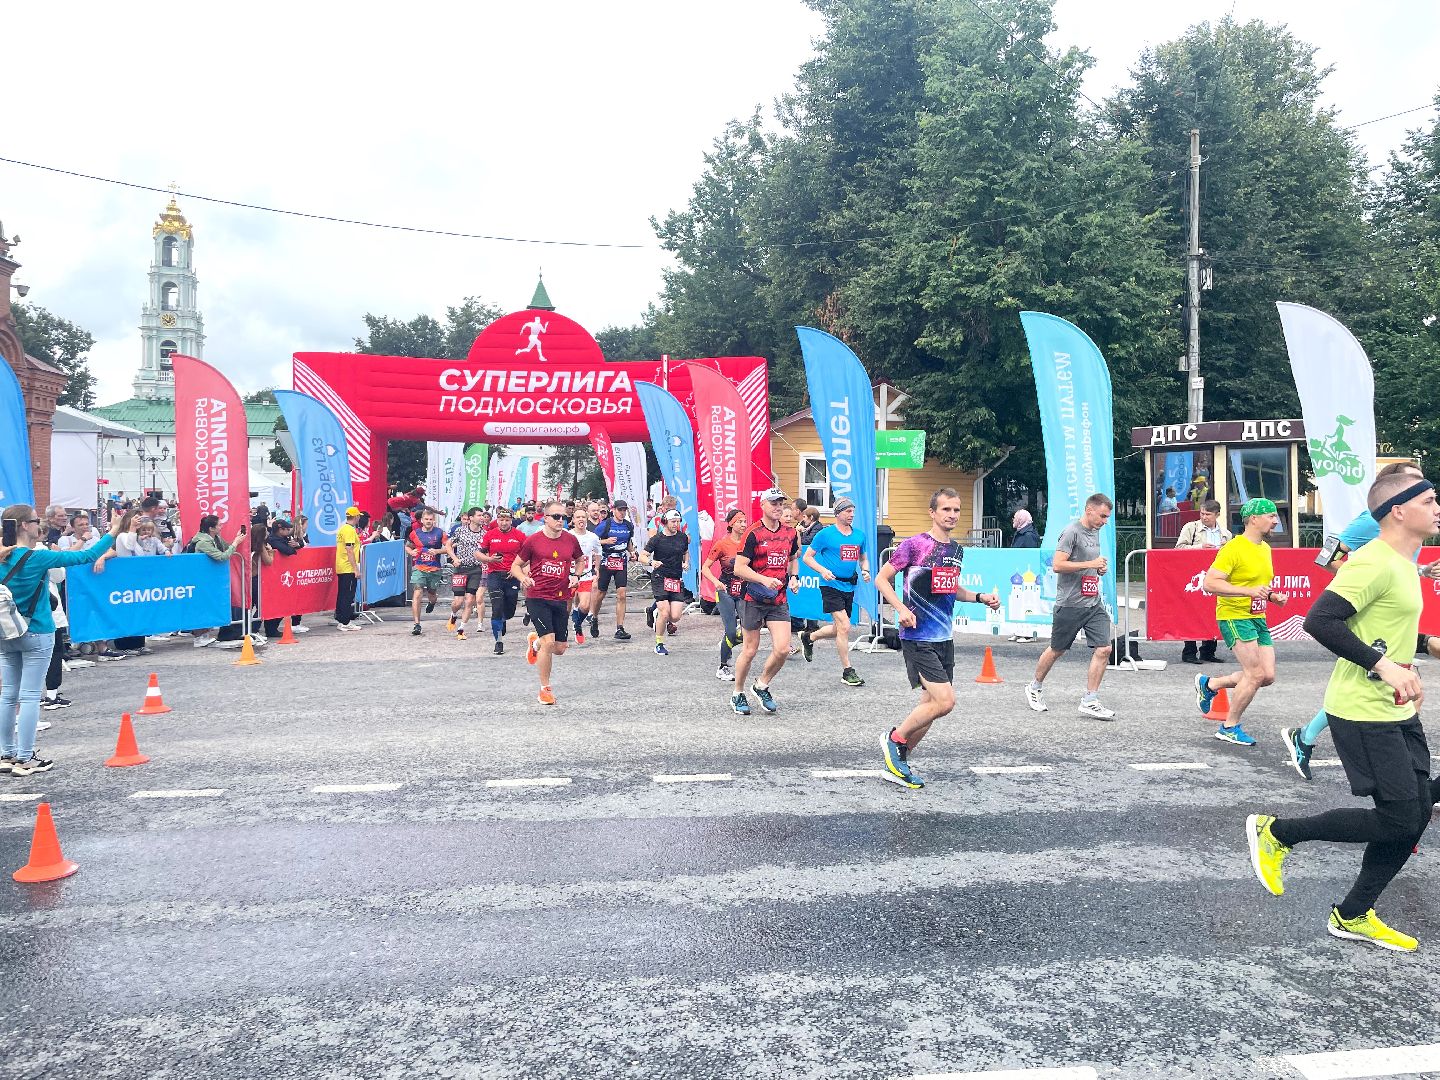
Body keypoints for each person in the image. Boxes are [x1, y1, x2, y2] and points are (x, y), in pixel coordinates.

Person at [1246, 472, 1440, 953]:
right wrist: (1385, 667)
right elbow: (1320, 620)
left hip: (1392, 709)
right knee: (1400, 819)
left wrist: (1413, 658)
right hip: (1361, 711)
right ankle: (1278, 832)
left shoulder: (1401, 562)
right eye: (1431, 500)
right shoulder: (1373, 562)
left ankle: (1353, 914)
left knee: (1415, 813)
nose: (1438, 507)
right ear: (1399, 509)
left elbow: (1381, 625)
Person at [1282, 462, 1439, 779]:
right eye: (1415, 483)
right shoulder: (1371, 522)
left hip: (1391, 610)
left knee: (1401, 691)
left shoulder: (1410, 533)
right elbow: (1326, 556)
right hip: (1369, 617)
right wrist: (1363, 586)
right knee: (1393, 690)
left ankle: (1409, 780)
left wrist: (1419, 572)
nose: (1426, 493)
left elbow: (1398, 568)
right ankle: (1405, 779)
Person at [877, 487, 1000, 788]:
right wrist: (901, 608)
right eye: (946, 509)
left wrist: (981, 596)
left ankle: (898, 763)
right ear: (933, 512)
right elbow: (882, 578)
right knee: (945, 702)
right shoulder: (915, 544)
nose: (952, 515)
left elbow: (950, 588)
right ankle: (893, 739)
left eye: (956, 510)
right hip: (917, 635)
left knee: (930, 705)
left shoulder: (957, 550)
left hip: (944, 636)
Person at [0, 506, 134, 776]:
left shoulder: (4, 557)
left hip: (6, 631)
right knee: (28, 696)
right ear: (25, 526)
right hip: (37, 629)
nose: (40, 526)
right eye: (36, 521)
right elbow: (87, 556)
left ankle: (6, 754)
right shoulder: (37, 557)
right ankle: (25, 758)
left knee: (8, 695)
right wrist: (113, 531)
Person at [1195, 498, 1283, 746]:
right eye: (1271, 516)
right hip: (1234, 615)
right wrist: (1249, 592)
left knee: (1267, 676)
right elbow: (1210, 584)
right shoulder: (1233, 548)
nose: (1275, 521)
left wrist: (1273, 596)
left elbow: (1258, 586)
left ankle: (1211, 684)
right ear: (1254, 519)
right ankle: (1229, 726)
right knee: (1254, 674)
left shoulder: (1264, 548)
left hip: (1257, 616)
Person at [1024, 493, 1116, 720]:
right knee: (1057, 649)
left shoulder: (1095, 531)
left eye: (1107, 518)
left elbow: (1088, 564)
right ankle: (1034, 686)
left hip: (1093, 602)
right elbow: (1057, 565)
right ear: (1089, 510)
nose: (1105, 521)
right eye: (1103, 516)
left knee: (1104, 649)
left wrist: (1098, 569)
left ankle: (1090, 699)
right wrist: (1090, 564)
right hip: (1070, 603)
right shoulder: (1071, 532)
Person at [730, 488, 800, 715]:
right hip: (753, 598)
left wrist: (794, 578)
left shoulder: (790, 533)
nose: (778, 507)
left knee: (782, 649)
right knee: (750, 650)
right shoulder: (753, 533)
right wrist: (763, 579)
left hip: (778, 599)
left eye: (781, 503)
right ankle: (738, 693)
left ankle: (761, 685)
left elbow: (792, 559)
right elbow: (739, 568)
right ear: (762, 505)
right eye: (773, 503)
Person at [513, 501, 585, 704]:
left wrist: (576, 576)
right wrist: (523, 578)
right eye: (556, 516)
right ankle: (544, 689)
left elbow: (580, 560)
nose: (561, 520)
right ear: (545, 518)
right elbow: (515, 566)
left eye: (563, 517)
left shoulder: (570, 540)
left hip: (560, 597)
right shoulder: (533, 541)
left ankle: (535, 642)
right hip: (537, 597)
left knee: (560, 648)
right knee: (549, 642)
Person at [800, 496, 871, 686]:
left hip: (849, 585)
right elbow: (807, 557)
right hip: (830, 586)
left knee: (840, 627)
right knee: (845, 626)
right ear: (838, 513)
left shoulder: (859, 535)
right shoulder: (825, 534)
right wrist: (823, 571)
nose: (852, 514)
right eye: (848, 511)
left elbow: (863, 558)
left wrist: (865, 570)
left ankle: (809, 636)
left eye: (853, 511)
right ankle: (848, 671)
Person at [1176, 499, 1231, 664]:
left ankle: (1208, 651)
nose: (1204, 517)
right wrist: (1198, 548)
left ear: (1217, 515)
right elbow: (1178, 548)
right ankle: (1189, 652)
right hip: (1194, 577)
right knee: (1191, 613)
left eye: (1208, 514)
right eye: (1202, 513)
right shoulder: (1191, 528)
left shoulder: (1226, 534)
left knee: (1212, 611)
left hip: (1215, 577)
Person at [703, 509, 748, 681]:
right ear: (731, 524)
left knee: (748, 632)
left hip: (744, 590)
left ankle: (725, 644)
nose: (743, 524)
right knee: (730, 631)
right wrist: (715, 582)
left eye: (745, 521)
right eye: (740, 521)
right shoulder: (722, 544)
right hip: (725, 590)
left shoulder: (748, 543)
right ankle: (723, 667)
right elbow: (705, 567)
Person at [193, 514, 250, 648]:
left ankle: (205, 634)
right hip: (201, 577)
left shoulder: (216, 538)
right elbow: (222, 556)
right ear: (211, 528)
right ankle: (199, 636)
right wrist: (236, 543)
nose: (221, 526)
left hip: (212, 578)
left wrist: (236, 539)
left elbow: (227, 548)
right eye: (219, 525)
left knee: (210, 604)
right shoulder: (203, 542)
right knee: (203, 606)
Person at [643, 510, 691, 656]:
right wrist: (652, 562)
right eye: (673, 522)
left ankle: (656, 612)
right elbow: (642, 556)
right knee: (665, 613)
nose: (676, 525)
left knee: (675, 616)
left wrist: (686, 562)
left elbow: (685, 552)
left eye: (678, 522)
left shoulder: (682, 538)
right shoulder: (657, 539)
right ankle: (659, 643)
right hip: (659, 577)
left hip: (675, 578)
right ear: (665, 522)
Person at [479, 506, 525, 653]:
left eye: (507, 520)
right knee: (497, 607)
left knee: (510, 609)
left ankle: (504, 618)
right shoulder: (489, 534)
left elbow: (528, 557)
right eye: (501, 520)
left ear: (511, 520)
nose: (504, 523)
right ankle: (498, 641)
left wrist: (517, 569)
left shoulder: (519, 535)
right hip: (494, 574)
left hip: (512, 576)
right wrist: (489, 559)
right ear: (497, 520)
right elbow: (478, 554)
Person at [589, 499, 636, 640]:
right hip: (606, 562)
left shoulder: (628, 525)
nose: (622, 513)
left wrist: (632, 552)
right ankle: (594, 617)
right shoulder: (606, 525)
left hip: (621, 562)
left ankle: (620, 628)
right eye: (620, 510)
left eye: (624, 510)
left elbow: (628, 542)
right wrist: (605, 541)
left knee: (621, 594)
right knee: (601, 593)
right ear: (613, 510)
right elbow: (592, 541)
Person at [446, 508, 488, 641]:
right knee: (458, 602)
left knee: (470, 600)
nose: (482, 518)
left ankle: (461, 629)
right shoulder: (460, 530)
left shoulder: (485, 533)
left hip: (476, 569)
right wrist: (454, 558)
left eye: (483, 515)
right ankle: (453, 615)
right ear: (471, 518)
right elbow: (448, 545)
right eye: (479, 515)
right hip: (461, 568)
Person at [263, 518, 309, 640]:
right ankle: (269, 629)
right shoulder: (273, 540)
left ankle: (273, 628)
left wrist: (297, 545)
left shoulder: (285, 539)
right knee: (274, 604)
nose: (289, 532)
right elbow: (287, 551)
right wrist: (294, 548)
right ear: (280, 530)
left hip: (284, 576)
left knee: (283, 604)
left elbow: (298, 546)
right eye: (287, 529)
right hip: (274, 576)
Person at [406, 508, 448, 636]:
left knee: (432, 593)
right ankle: (417, 624)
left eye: (431, 519)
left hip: (434, 569)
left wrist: (437, 551)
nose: (428, 521)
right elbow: (407, 545)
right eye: (426, 519)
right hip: (419, 567)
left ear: (434, 521)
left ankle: (432, 602)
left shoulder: (440, 533)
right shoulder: (415, 533)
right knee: (417, 592)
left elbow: (448, 548)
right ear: (422, 520)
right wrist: (410, 552)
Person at [567, 506, 601, 644]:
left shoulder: (592, 537)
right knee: (566, 608)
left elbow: (598, 552)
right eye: (578, 517)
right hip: (569, 576)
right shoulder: (567, 536)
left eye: (583, 517)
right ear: (573, 520)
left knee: (585, 606)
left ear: (586, 519)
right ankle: (563, 632)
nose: (581, 519)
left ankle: (577, 624)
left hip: (586, 575)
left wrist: (597, 568)